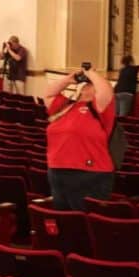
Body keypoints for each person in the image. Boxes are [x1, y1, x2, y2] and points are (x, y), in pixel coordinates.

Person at [41, 66, 115, 211]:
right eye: (85, 83)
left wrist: (91, 72)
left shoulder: (99, 108)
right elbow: (48, 94)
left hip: (90, 173)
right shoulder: (64, 106)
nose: (88, 84)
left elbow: (106, 90)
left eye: (91, 84)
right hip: (57, 172)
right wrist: (70, 79)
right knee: (65, 222)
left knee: (84, 223)